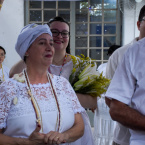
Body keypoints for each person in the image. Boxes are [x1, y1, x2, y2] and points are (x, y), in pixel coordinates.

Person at [9, 16, 95, 145]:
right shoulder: (25, 66)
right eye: (54, 32)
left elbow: (94, 102)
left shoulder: (81, 65)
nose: (59, 36)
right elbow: (14, 81)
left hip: (72, 127)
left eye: (64, 33)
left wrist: (63, 95)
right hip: (37, 125)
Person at [105, 5, 145, 145]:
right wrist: (133, 112)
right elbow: (111, 99)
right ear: (139, 24)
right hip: (126, 136)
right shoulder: (124, 54)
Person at [93, 45, 120, 145]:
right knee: (106, 128)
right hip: (104, 101)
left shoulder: (103, 67)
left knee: (111, 128)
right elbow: (95, 85)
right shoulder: (102, 67)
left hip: (110, 102)